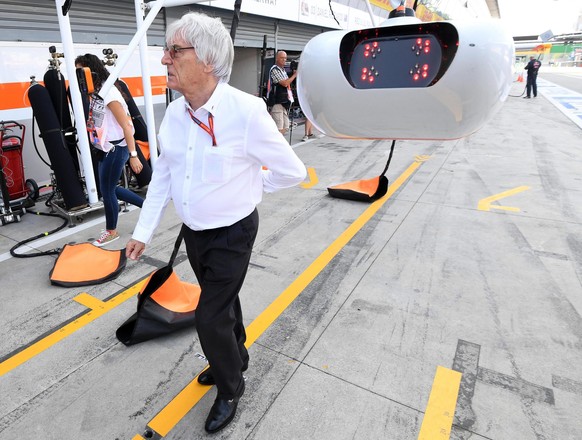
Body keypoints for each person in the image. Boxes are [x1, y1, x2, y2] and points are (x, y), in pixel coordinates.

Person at [125, 12, 306, 434]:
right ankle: (236, 355)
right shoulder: (173, 116)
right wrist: (141, 233)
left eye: (174, 51)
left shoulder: (246, 112)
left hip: (233, 233)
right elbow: (163, 180)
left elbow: (292, 171)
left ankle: (231, 385)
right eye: (165, 50)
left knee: (209, 317)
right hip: (195, 233)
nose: (165, 60)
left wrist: (251, 189)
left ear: (206, 61)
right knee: (221, 302)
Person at [74, 54, 144, 247]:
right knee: (111, 188)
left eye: (81, 72)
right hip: (104, 148)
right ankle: (147, 208)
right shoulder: (98, 92)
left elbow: (127, 126)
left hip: (115, 149)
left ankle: (111, 232)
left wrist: (133, 155)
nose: (79, 77)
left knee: (107, 191)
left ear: (91, 71)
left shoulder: (109, 94)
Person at [268, 50, 297, 134]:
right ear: (277, 58)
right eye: (282, 58)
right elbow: (285, 83)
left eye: (285, 58)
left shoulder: (283, 70)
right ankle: (276, 145)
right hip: (277, 102)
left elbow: (288, 83)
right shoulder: (274, 69)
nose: (284, 60)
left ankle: (280, 144)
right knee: (279, 128)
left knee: (285, 126)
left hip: (284, 102)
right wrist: (294, 75)